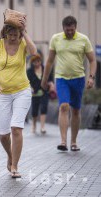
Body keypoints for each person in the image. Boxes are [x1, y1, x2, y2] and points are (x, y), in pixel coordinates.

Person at [0, 21, 38, 178]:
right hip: (2, 94)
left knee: (16, 128)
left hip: (22, 91)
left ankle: (14, 165)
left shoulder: (22, 43)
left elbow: (34, 52)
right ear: (5, 33)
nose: (14, 38)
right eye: (11, 35)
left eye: (17, 35)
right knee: (3, 135)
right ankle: (10, 155)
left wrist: (25, 33)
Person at [41, 16, 96, 152]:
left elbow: (93, 60)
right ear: (63, 28)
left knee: (76, 110)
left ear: (75, 27)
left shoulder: (83, 39)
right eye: (67, 30)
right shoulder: (56, 39)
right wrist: (44, 79)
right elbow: (49, 61)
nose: (69, 32)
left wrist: (91, 77)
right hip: (61, 79)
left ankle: (73, 141)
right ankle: (63, 141)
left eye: (72, 30)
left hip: (78, 79)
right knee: (64, 107)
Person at [27, 54, 54, 134]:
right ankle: (34, 125)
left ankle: (42, 127)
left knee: (43, 107)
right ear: (32, 63)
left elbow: (50, 79)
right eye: (35, 62)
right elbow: (27, 81)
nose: (37, 63)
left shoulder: (45, 69)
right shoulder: (29, 71)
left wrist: (51, 84)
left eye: (38, 61)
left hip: (45, 91)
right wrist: (30, 88)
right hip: (34, 93)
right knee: (34, 111)